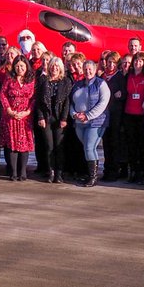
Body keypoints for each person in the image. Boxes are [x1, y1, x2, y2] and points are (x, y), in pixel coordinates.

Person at [71, 59, 111, 187]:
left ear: (95, 70)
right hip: (79, 122)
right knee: (87, 148)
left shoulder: (101, 84)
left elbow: (103, 103)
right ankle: (89, 174)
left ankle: (93, 177)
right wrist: (74, 114)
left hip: (96, 122)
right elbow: (71, 102)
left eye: (90, 69)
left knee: (89, 147)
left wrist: (88, 116)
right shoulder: (78, 84)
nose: (88, 71)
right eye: (86, 69)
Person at [35, 57, 72, 183]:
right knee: (49, 146)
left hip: (59, 117)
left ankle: (59, 173)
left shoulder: (66, 81)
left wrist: (64, 118)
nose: (54, 68)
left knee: (59, 147)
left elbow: (67, 101)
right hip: (46, 117)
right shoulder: (43, 80)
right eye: (52, 65)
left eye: (57, 66)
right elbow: (39, 101)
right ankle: (50, 172)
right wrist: (40, 117)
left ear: (60, 67)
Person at [0, 55, 36, 181]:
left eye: (22, 66)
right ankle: (13, 172)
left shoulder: (31, 80)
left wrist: (27, 112)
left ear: (26, 66)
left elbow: (34, 99)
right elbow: (3, 94)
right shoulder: (9, 79)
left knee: (24, 145)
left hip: (25, 117)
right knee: (12, 144)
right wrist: (9, 110)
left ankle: (22, 172)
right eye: (17, 66)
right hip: (11, 116)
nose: (20, 68)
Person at [123, 52, 144, 183]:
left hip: (142, 115)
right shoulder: (127, 76)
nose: (137, 63)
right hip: (129, 114)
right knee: (131, 144)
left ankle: (143, 171)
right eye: (135, 60)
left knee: (142, 145)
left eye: (140, 61)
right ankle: (133, 170)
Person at [100, 51, 128, 181]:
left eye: (114, 62)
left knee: (115, 144)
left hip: (116, 115)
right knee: (106, 144)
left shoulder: (120, 77)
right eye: (109, 61)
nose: (111, 64)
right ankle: (106, 169)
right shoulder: (103, 77)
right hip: (104, 115)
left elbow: (124, 94)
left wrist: (121, 94)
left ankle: (114, 171)